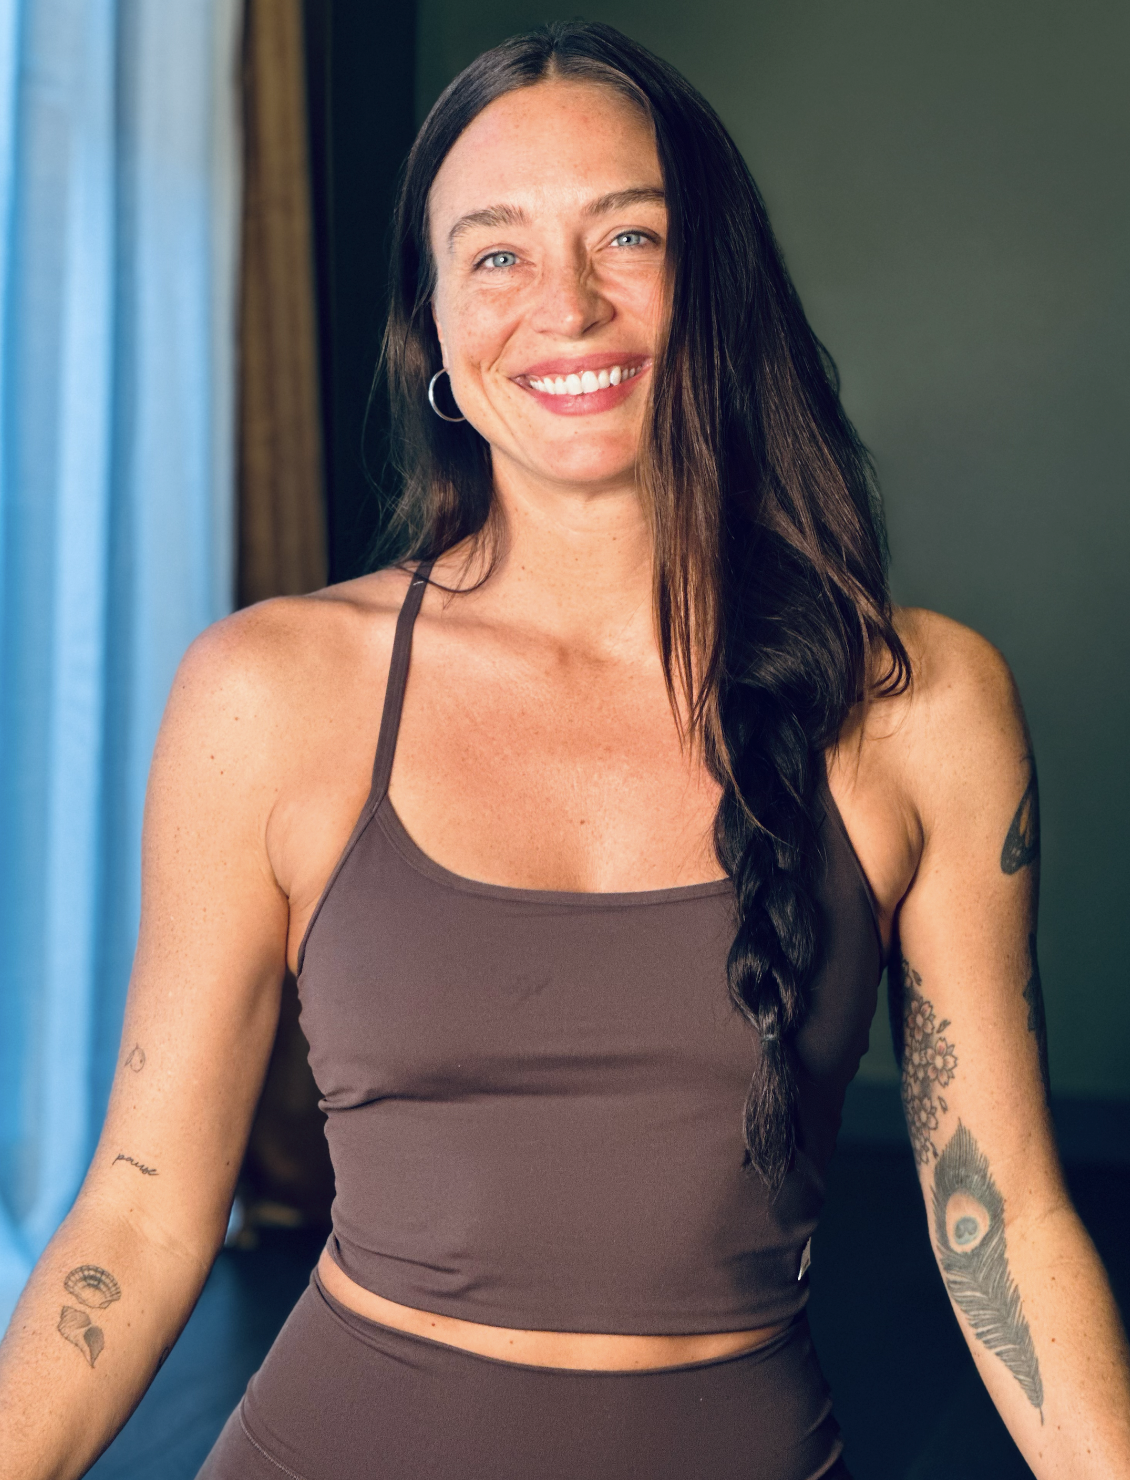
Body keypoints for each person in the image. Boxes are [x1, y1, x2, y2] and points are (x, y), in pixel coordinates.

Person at [1, 21, 1128, 1480]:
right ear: (434, 334)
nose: (569, 305)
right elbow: (143, 1216)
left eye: (629, 237)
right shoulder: (267, 693)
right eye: (496, 255)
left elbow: (1004, 1219)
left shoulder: (919, 703)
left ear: (717, 281)